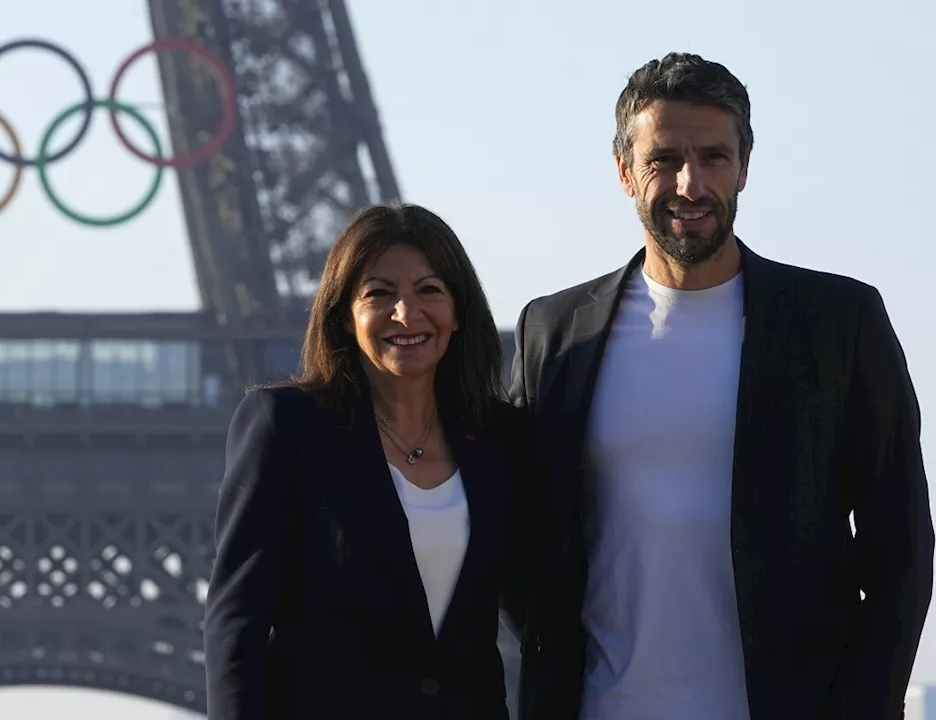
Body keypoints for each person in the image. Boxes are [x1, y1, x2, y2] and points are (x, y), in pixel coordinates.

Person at [509, 51, 934, 719]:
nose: (690, 183)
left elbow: (901, 549)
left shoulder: (838, 325)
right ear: (624, 171)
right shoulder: (555, 332)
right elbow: (519, 537)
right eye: (665, 159)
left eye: (713, 157)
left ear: (744, 167)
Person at [204, 201, 531, 719]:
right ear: (343, 315)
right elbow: (236, 624)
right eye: (379, 294)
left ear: (458, 312)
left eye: (429, 290)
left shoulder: (502, 440)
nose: (406, 314)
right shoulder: (287, 427)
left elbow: (537, 615)